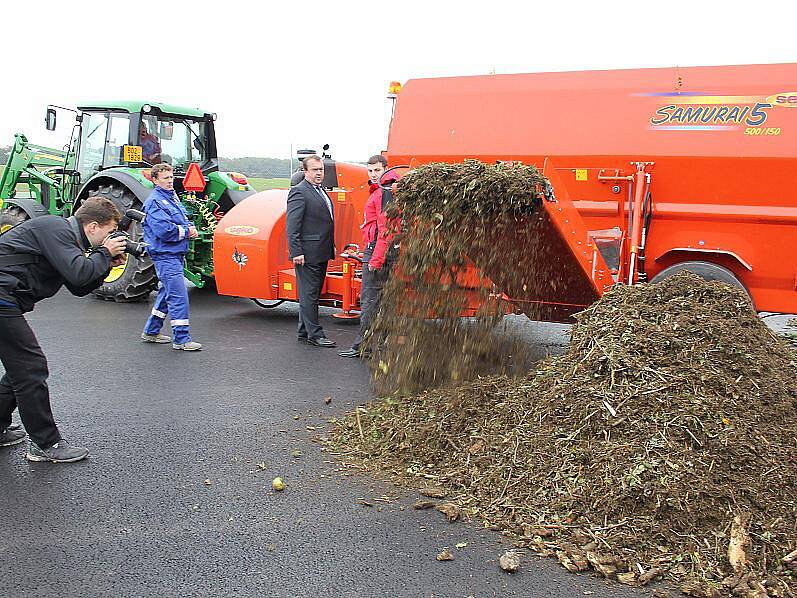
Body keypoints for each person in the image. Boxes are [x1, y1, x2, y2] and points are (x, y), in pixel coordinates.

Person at [0, 197, 127, 463]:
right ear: (92, 227)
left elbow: (79, 286)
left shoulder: (66, 240)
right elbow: (79, 274)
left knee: (20, 370)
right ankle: (45, 444)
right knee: (30, 368)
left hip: (6, 300)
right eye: (109, 232)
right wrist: (103, 254)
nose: (110, 238)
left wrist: (104, 266)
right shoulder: (56, 228)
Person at [339, 155, 399, 358]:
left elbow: (386, 229)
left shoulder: (384, 193)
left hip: (378, 251)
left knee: (369, 300)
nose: (373, 174)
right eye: (370, 171)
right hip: (386, 250)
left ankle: (362, 346)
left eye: (377, 170)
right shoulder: (388, 190)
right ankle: (380, 342)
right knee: (382, 300)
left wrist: (375, 259)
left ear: (386, 170)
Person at [141, 163, 201, 350]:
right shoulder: (155, 202)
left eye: (171, 177)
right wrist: (187, 231)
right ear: (155, 180)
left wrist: (189, 226)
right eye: (165, 178)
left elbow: (182, 218)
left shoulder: (171, 197)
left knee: (167, 293)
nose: (170, 181)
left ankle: (151, 331)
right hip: (165, 255)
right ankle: (181, 339)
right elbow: (164, 230)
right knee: (178, 296)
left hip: (175, 254)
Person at [286, 154, 336, 347]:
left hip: (321, 251)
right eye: (314, 170)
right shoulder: (299, 192)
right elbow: (292, 225)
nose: (319, 173)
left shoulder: (320, 191)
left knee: (312, 293)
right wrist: (296, 251)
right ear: (305, 172)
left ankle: (304, 330)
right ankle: (315, 334)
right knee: (309, 294)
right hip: (307, 253)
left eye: (321, 169)